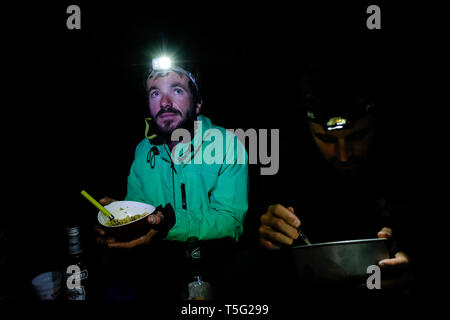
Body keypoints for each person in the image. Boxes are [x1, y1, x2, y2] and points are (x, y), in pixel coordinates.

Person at [224, 55, 415, 299]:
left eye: (357, 137)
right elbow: (252, 235)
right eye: (326, 139)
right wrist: (266, 233)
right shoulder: (288, 160)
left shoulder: (403, 159)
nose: (343, 155)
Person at [93, 56, 248, 299]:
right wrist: (118, 224)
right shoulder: (144, 151)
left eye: (176, 90)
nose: (165, 102)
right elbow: (138, 212)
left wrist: (170, 222)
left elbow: (231, 221)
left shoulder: (227, 144)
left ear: (197, 104)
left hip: (214, 272)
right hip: (155, 276)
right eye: (155, 94)